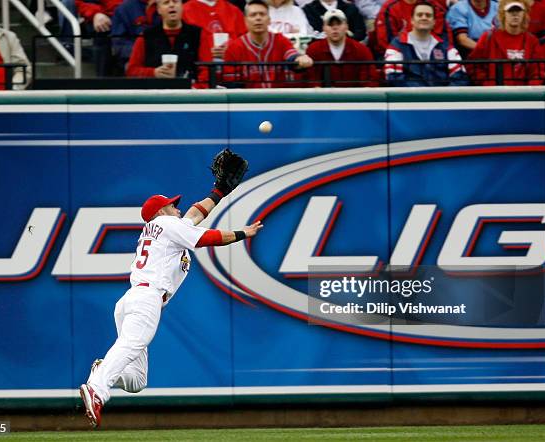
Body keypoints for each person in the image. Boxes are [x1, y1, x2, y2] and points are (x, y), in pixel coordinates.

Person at [80, 150, 262, 428]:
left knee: (137, 381)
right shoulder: (165, 224)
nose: (177, 207)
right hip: (146, 297)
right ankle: (97, 388)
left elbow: (194, 214)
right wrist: (242, 234)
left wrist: (220, 191)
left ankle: (104, 369)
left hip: (133, 299)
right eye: (171, 205)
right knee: (130, 344)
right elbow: (207, 237)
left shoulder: (165, 227)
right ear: (160, 212)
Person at [222, 0, 313, 88]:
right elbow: (231, 83)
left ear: (269, 20)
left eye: (262, 14)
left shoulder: (280, 40)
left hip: (278, 98)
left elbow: (291, 56)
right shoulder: (234, 47)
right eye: (253, 15)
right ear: (245, 21)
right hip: (247, 100)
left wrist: (300, 59)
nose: (258, 18)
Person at [384, 1, 469, 86]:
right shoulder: (396, 46)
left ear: (434, 22)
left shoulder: (446, 47)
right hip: (410, 98)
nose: (424, 18)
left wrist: (442, 96)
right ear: (412, 20)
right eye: (419, 15)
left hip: (442, 98)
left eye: (428, 15)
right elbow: (394, 78)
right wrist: (422, 95)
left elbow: (460, 78)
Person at [469, 0, 544, 85]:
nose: (515, 15)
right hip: (495, 94)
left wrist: (529, 91)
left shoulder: (532, 41)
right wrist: (488, 85)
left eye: (518, 11)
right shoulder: (488, 37)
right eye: (510, 11)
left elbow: (537, 71)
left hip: (524, 94)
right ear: (503, 14)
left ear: (524, 14)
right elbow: (473, 65)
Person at [126, 0, 201, 79]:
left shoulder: (198, 34)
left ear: (182, 6)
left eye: (175, 1)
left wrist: (196, 88)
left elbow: (207, 68)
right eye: (166, 2)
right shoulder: (146, 37)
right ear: (159, 9)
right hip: (155, 89)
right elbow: (131, 71)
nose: (171, 5)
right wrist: (153, 73)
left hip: (190, 89)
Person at [305, 9, 379, 86]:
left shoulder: (362, 50)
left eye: (339, 24)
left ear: (346, 27)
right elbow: (312, 81)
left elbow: (369, 82)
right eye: (330, 24)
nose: (335, 28)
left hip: (355, 97)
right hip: (324, 97)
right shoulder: (313, 49)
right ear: (324, 28)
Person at [375, 0, 451, 56]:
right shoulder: (390, 7)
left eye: (427, 16)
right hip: (399, 55)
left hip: (432, 56)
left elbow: (444, 39)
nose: (424, 17)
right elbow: (386, 41)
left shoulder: (433, 7)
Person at [182, 0, 246, 64]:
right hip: (200, 70)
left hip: (234, 70)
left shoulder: (234, 11)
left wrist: (232, 49)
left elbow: (247, 43)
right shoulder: (185, 11)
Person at [111, 0, 160, 69]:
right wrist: (142, 53)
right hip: (134, 59)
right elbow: (119, 45)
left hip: (163, 59)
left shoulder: (168, 6)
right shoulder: (124, 9)